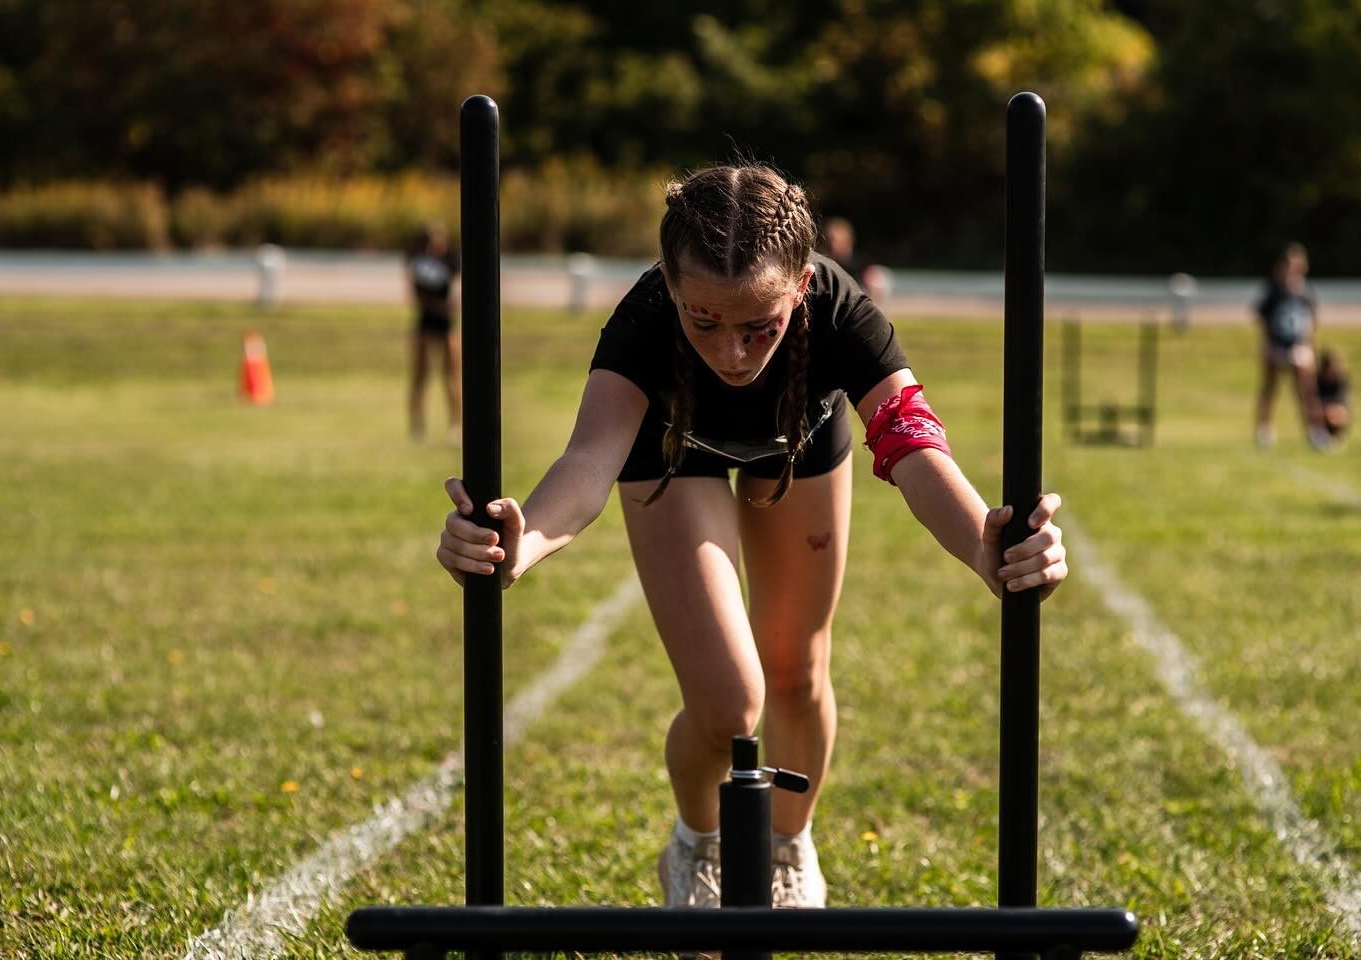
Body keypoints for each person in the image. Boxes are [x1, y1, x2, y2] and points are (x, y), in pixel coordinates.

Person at [435, 164, 1068, 910]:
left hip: (799, 441)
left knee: (796, 671)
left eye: (758, 327)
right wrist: (521, 541)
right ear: (671, 287)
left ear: (800, 285)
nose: (732, 353)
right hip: (673, 452)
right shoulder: (642, 321)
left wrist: (984, 547)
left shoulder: (839, 310)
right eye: (704, 321)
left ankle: (788, 845)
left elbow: (913, 444)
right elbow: (589, 461)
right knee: (731, 702)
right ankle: (696, 845)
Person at [1253, 242, 1327, 450]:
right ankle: (1264, 430)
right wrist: (1268, 346)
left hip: (1299, 346)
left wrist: (1310, 348)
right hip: (1276, 345)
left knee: (1307, 391)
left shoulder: (1305, 291)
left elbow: (1311, 324)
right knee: (1270, 389)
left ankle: (1314, 431)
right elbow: (1264, 320)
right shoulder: (1273, 290)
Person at [406, 223, 462, 443]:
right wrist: (441, 306)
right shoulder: (418, 263)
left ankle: (456, 425)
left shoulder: (450, 260)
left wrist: (451, 304)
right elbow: (418, 295)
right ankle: (417, 425)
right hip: (426, 322)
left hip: (447, 324)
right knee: (421, 375)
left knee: (452, 376)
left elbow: (456, 289)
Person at [1315, 347, 1351, 442]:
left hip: (1336, 409)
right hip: (1322, 409)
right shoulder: (1317, 379)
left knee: (1336, 415)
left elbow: (1343, 400)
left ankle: (1337, 438)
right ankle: (1320, 436)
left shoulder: (1341, 380)